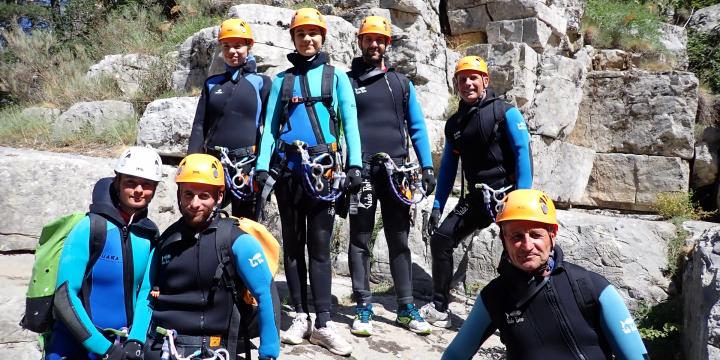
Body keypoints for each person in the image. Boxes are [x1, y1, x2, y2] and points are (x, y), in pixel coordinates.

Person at [254, 7, 362, 356]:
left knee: (318, 247)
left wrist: (356, 166)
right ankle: (300, 315)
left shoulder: (336, 77)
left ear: (323, 37)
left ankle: (324, 322)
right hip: (288, 173)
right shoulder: (282, 81)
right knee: (293, 244)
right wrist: (261, 166)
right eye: (301, 34)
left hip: (323, 172)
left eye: (314, 33)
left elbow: (350, 123)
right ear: (294, 39)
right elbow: (269, 128)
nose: (308, 39)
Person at [442, 189, 650, 359]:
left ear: (552, 235)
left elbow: (635, 357)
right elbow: (454, 355)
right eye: (516, 236)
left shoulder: (590, 287)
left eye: (535, 234)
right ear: (503, 240)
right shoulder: (495, 298)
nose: (527, 245)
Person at [420, 55, 532, 328]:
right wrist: (437, 205)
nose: (468, 83)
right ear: (456, 84)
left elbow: (522, 153)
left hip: (507, 197)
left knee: (515, 256)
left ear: (485, 81)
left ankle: (519, 317)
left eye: (473, 78)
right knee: (442, 240)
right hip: (477, 198)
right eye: (462, 79)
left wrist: (522, 199)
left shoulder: (506, 112)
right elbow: (447, 167)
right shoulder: (455, 123)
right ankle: (440, 307)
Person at [345, 15, 435, 337]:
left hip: (398, 174)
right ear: (360, 41)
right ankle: (363, 306)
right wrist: (345, 167)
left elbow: (417, 127)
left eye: (380, 39)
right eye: (369, 39)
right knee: (359, 239)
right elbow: (334, 126)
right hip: (363, 172)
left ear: (388, 44)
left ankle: (406, 308)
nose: (374, 44)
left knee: (399, 240)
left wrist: (427, 167)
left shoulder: (401, 83)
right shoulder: (347, 82)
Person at [141, 154, 280, 360]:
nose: (195, 203)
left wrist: (268, 354)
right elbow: (146, 295)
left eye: (204, 195)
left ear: (219, 197)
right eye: (188, 194)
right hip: (160, 347)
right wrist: (135, 341)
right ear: (179, 194)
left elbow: (266, 294)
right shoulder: (166, 240)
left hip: (210, 351)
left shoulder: (237, 241)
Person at [45, 146, 163, 360]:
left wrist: (135, 341)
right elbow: (65, 295)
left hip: (122, 344)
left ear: (154, 189)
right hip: (72, 346)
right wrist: (105, 349)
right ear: (117, 182)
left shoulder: (149, 235)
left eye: (146, 184)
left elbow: (146, 291)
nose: (138, 190)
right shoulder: (89, 227)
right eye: (130, 182)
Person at [187, 18, 271, 220]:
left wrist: (265, 166)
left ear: (249, 46)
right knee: (207, 222)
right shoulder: (211, 84)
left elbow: (269, 127)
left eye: (238, 46)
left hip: (247, 165)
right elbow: (200, 125)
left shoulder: (262, 82)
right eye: (227, 46)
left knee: (245, 226)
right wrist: (190, 160)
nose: (233, 51)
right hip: (213, 164)